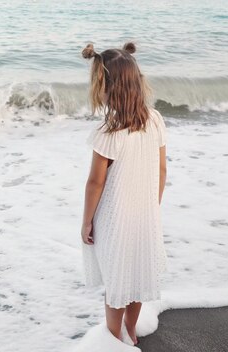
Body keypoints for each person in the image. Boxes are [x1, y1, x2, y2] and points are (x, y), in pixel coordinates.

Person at [80, 42, 168, 345]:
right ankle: (131, 332)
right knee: (138, 279)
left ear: (105, 87)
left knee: (117, 283)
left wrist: (86, 222)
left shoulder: (108, 132)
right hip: (145, 215)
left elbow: (95, 183)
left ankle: (114, 339)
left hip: (115, 220)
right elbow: (162, 170)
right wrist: (151, 207)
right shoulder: (155, 120)